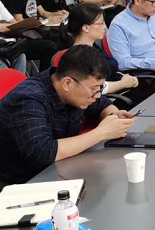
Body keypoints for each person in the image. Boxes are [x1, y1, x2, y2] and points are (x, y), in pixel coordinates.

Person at [0, 45, 136, 185]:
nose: (97, 95)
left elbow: (103, 105)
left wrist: (113, 116)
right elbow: (43, 153)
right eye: (94, 89)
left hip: (62, 169)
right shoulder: (28, 99)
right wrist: (102, 133)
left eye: (100, 88)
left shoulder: (75, 90)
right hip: (23, 182)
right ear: (67, 83)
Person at [65, 4, 139, 94]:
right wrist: (123, 83)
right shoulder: (79, 57)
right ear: (86, 28)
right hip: (108, 97)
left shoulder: (94, 47)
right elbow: (93, 87)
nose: (104, 27)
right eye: (101, 23)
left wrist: (126, 79)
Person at [0, 0, 26, 73]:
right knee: (4, 67)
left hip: (7, 43)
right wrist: (8, 25)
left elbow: (14, 22)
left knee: (20, 56)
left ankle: (20, 80)